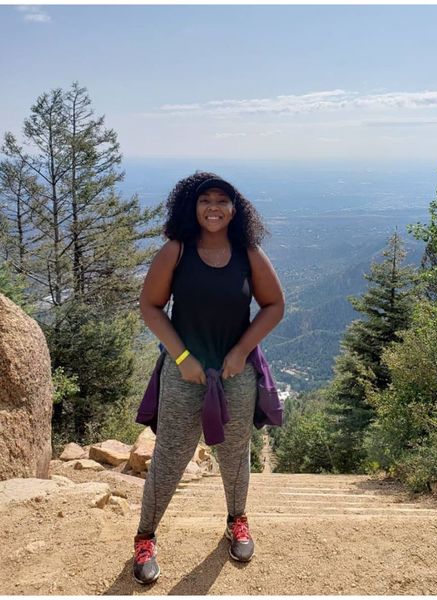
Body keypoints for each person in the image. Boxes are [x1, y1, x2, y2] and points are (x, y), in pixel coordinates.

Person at [131, 172, 285, 585]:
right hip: (184, 374)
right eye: (205, 200)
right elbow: (150, 305)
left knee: (235, 456)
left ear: (235, 210)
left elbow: (274, 305)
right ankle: (145, 538)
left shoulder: (247, 252)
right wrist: (181, 357)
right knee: (169, 458)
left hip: (236, 374)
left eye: (222, 201)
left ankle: (238, 521)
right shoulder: (176, 251)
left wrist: (239, 352)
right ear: (191, 207)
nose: (213, 207)